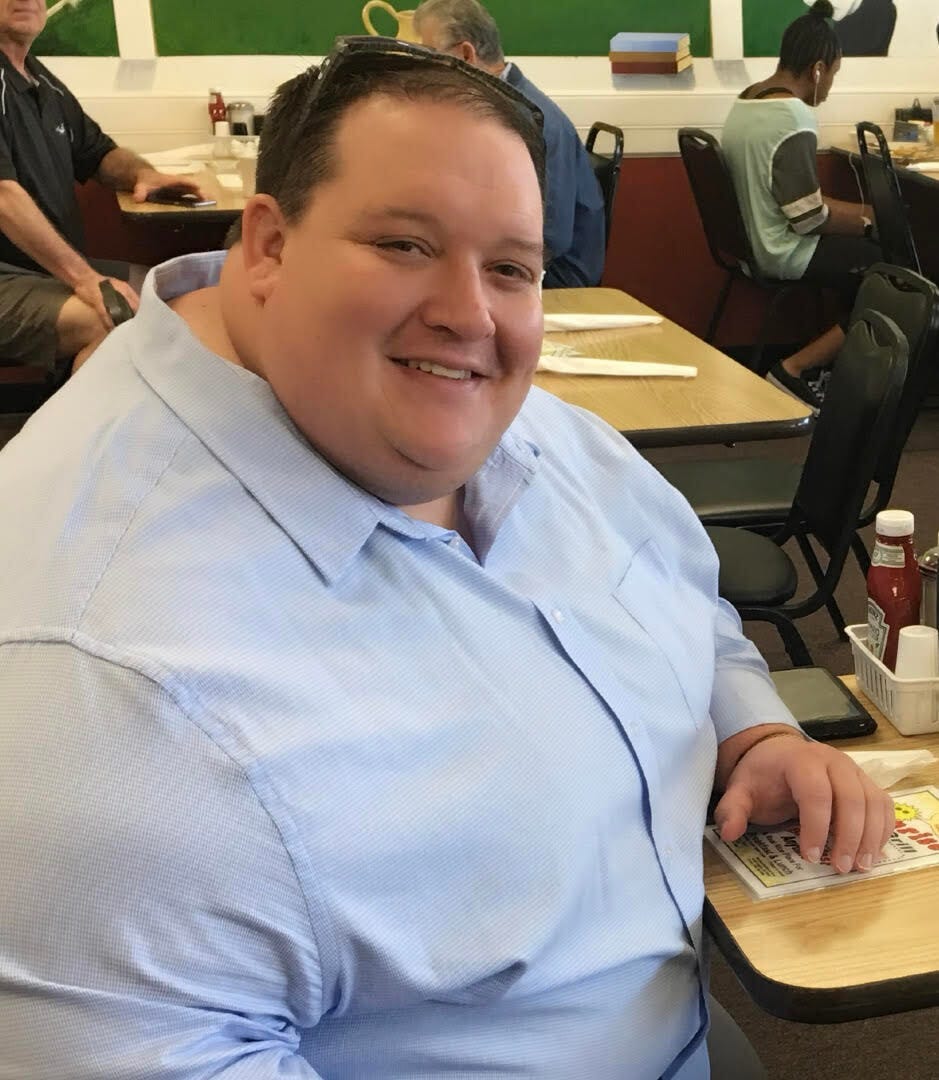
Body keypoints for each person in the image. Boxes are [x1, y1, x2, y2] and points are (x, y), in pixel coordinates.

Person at [0, 37, 896, 1079]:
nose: (471, 315)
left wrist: (750, 735)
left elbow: (677, 598)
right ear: (267, 244)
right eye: (405, 245)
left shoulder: (512, 429)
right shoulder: (100, 688)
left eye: (511, 267)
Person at [0, 0, 207, 378]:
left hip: (43, 271)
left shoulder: (40, 80)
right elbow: (3, 198)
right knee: (109, 317)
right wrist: (85, 278)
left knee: (164, 287)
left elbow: (97, 153)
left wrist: (143, 174)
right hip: (7, 278)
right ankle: (77, 438)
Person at [722, 0, 882, 407]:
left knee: (870, 258)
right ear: (817, 69)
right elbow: (808, 218)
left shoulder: (747, 100)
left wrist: (862, 215)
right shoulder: (791, 116)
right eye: (833, 75)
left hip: (751, 242)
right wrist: (868, 221)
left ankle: (834, 374)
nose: (829, 87)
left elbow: (797, 201)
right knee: (891, 276)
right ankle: (794, 369)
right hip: (784, 251)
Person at [414, 0, 606, 289]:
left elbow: (549, 239)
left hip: (553, 275)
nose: (423, 71)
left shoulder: (536, 123)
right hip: (502, 256)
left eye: (429, 57)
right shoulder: (488, 107)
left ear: (466, 55)